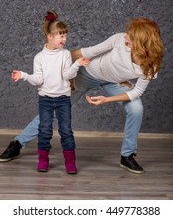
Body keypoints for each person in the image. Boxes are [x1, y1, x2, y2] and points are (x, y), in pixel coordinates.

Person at [0, 17, 164, 174]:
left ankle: (127, 155)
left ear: (142, 43)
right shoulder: (119, 40)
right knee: (53, 106)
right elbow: (87, 52)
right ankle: (18, 144)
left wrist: (107, 99)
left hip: (113, 83)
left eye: (131, 36)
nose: (126, 36)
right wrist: (61, 68)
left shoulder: (151, 65)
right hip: (85, 74)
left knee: (136, 109)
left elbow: (137, 92)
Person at [10, 10, 90, 173]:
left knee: (66, 131)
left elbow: (67, 75)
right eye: (61, 36)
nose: (65, 39)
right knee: (44, 130)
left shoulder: (66, 54)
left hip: (63, 100)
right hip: (45, 100)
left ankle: (70, 163)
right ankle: (43, 160)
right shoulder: (39, 58)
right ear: (50, 36)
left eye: (65, 35)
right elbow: (38, 80)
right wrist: (24, 75)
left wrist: (77, 64)